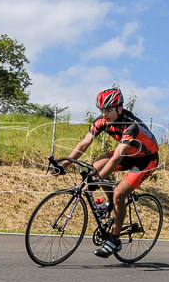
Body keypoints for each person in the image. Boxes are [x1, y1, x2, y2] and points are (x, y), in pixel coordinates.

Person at [63, 87, 160, 258]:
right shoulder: (102, 121)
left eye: (108, 110)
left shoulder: (130, 126)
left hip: (146, 159)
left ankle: (114, 239)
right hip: (128, 154)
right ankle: (110, 204)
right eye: (102, 110)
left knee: (119, 194)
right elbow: (84, 144)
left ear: (119, 109)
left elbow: (115, 158)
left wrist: (96, 179)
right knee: (96, 166)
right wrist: (64, 164)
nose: (104, 114)